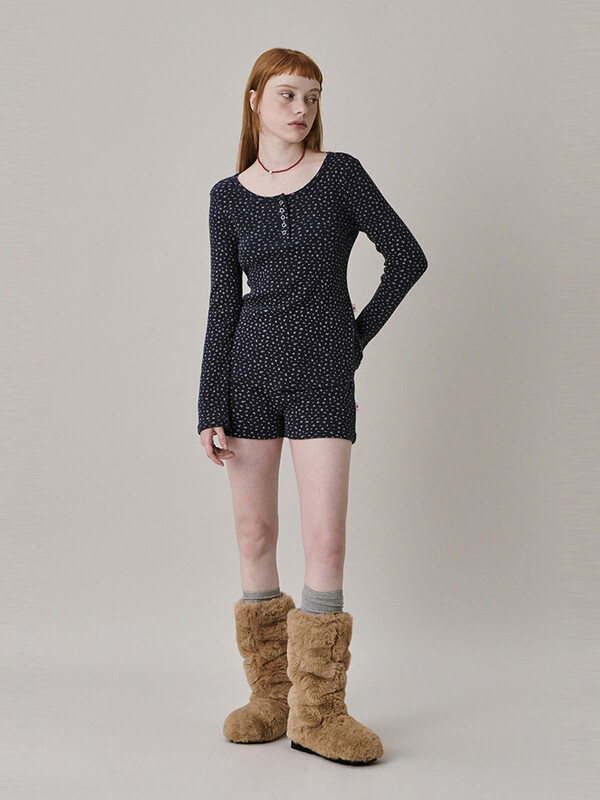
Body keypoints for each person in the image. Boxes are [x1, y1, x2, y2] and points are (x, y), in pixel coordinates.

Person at [196, 48, 428, 766]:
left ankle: (319, 711)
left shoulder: (342, 175)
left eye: (313, 97)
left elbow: (407, 257)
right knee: (254, 534)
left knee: (325, 540)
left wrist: (351, 339)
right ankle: (271, 698)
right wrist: (209, 401)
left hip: (322, 376)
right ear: (256, 99)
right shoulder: (226, 196)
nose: (302, 109)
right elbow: (222, 302)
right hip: (247, 377)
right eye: (288, 94)